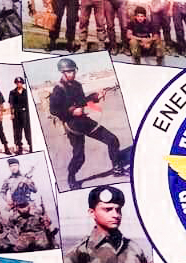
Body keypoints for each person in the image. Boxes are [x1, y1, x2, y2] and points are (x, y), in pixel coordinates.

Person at [47, 57, 127, 190]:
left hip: (84, 121)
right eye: (69, 72)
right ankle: (71, 178)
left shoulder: (77, 85)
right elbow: (54, 110)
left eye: (73, 71)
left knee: (112, 140)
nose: (72, 74)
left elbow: (82, 101)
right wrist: (72, 112)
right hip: (72, 126)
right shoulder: (58, 90)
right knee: (79, 156)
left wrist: (95, 97)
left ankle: (117, 168)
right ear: (62, 73)